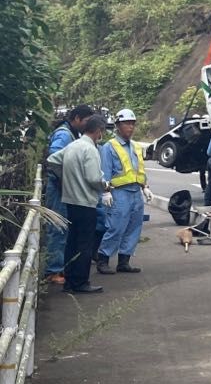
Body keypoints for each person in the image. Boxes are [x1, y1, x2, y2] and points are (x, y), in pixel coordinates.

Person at [46, 114, 107, 293]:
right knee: (85, 244)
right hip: (85, 202)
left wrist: (66, 179)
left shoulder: (72, 145)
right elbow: (94, 178)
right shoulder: (90, 150)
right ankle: (81, 282)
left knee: (71, 242)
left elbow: (52, 160)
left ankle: (69, 280)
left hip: (70, 199)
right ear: (98, 131)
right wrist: (106, 185)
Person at [97, 108, 153, 275]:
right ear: (118, 126)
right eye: (126, 124)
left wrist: (145, 187)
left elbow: (139, 170)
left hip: (136, 192)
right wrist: (105, 192)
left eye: (132, 124)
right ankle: (103, 259)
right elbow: (104, 172)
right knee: (116, 227)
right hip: (119, 193)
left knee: (134, 227)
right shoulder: (109, 147)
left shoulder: (136, 147)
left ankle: (124, 261)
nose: (130, 127)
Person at [43, 104, 94, 284]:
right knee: (58, 228)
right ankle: (53, 271)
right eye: (87, 121)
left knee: (64, 228)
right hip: (59, 189)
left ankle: (59, 268)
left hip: (63, 188)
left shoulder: (72, 134)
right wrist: (68, 180)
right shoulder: (64, 134)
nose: (88, 125)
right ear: (77, 118)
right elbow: (54, 159)